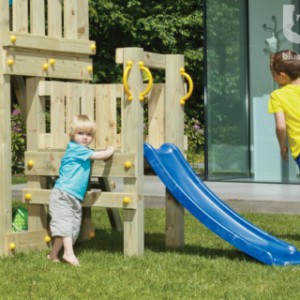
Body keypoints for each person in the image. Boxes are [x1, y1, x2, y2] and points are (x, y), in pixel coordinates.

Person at [47, 115, 114, 266]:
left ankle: (53, 255)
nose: (85, 137)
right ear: (72, 134)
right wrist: (110, 150)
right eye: (81, 133)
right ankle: (69, 254)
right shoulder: (76, 149)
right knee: (65, 225)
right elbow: (101, 155)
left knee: (71, 228)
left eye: (89, 134)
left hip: (74, 197)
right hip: (63, 194)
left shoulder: (83, 150)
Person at [268, 49, 300, 167]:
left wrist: (283, 147)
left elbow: (281, 126)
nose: (273, 78)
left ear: (282, 76)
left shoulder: (277, 95)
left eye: (273, 74)